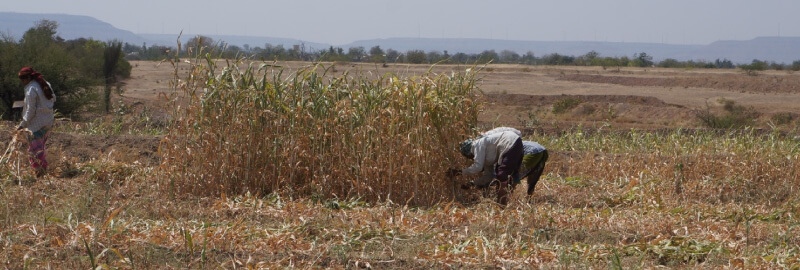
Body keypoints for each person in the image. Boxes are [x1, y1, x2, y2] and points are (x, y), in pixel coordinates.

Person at [449, 127, 524, 206]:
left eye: (467, 157)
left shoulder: (477, 145)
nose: (470, 159)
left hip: (510, 141)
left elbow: (478, 167)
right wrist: (472, 183)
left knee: (502, 175)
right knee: (502, 176)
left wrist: (460, 172)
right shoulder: (484, 156)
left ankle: (502, 205)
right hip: (513, 143)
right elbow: (488, 176)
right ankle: (503, 202)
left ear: (467, 153)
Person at [16, 67, 56, 178]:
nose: (23, 82)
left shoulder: (30, 89)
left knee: (34, 151)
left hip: (36, 124)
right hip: (48, 121)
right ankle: (42, 171)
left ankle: (40, 173)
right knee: (40, 147)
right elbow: (53, 99)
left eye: (23, 80)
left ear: (28, 78)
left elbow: (31, 110)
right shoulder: (46, 84)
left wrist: (22, 124)